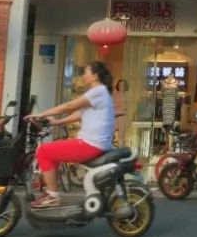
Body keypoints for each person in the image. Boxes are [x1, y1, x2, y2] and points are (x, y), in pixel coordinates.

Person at [25, 61, 114, 208]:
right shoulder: (100, 92)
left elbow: (70, 106)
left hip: (90, 144)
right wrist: (57, 122)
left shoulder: (97, 91)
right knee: (53, 153)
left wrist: (42, 113)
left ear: (95, 76)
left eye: (86, 72)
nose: (83, 76)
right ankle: (51, 192)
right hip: (93, 143)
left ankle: (52, 196)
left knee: (43, 151)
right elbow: (78, 113)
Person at [112, 78, 128, 147]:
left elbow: (127, 107)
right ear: (118, 85)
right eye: (120, 85)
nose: (121, 86)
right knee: (111, 133)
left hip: (123, 117)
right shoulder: (115, 95)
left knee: (121, 135)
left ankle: (120, 150)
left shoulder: (127, 95)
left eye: (123, 85)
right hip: (114, 116)